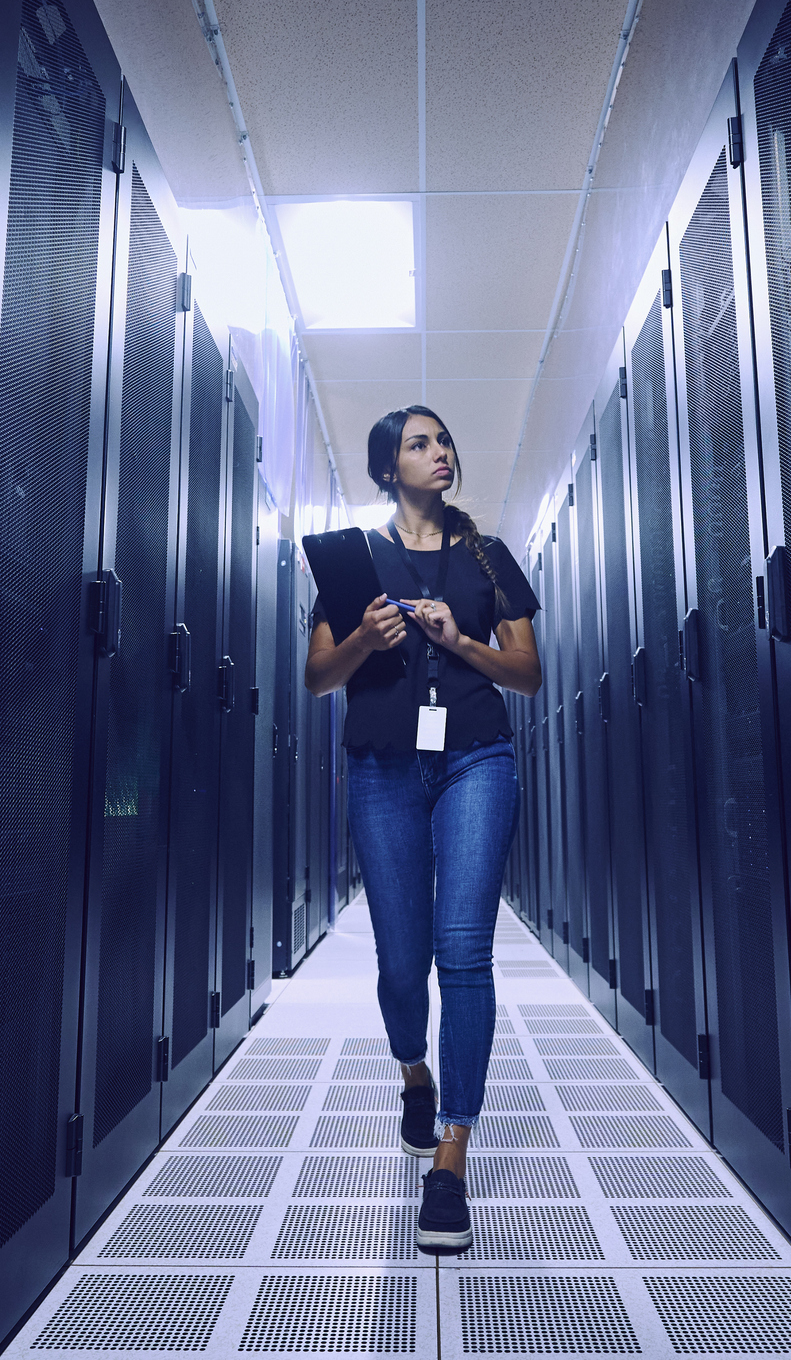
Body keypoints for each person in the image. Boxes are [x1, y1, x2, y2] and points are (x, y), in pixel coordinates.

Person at [303, 407, 543, 1252]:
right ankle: (414, 1070)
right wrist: (366, 639)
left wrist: (462, 638)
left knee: (463, 953)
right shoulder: (350, 559)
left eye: (444, 438)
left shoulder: (489, 557)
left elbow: (530, 672)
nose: (440, 452)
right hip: (383, 768)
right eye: (419, 443)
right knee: (401, 961)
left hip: (476, 758)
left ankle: (452, 1156)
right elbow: (316, 677)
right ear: (386, 469)